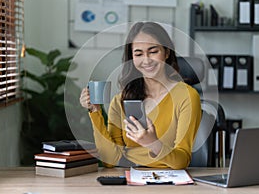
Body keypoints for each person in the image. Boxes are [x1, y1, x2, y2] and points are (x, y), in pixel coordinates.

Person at [79, 22, 201, 169]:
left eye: (153, 51)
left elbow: (182, 161)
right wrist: (95, 111)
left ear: (167, 53)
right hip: (128, 180)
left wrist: (152, 143)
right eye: (138, 54)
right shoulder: (120, 100)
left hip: (169, 183)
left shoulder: (186, 96)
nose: (146, 60)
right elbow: (110, 160)